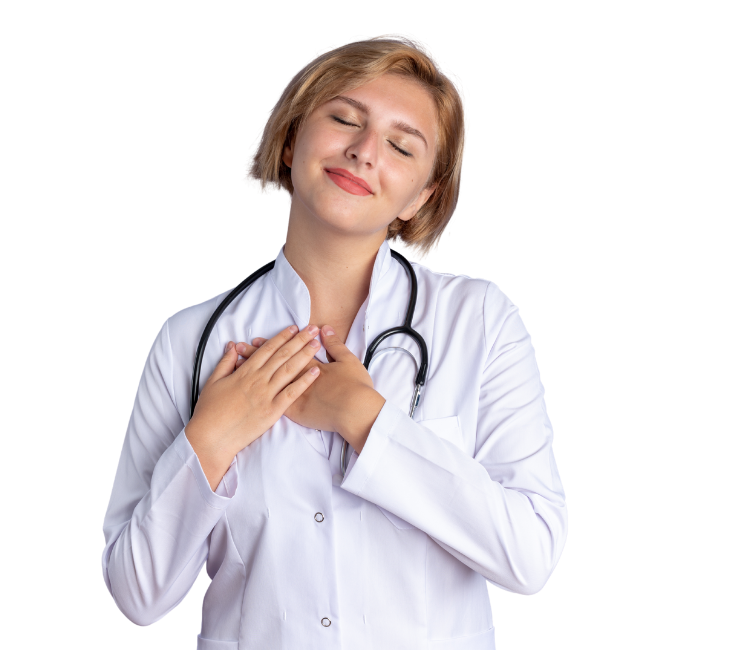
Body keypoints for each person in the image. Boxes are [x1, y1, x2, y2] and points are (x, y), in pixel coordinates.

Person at [101, 32, 568, 649]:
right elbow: (138, 595)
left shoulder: (478, 321)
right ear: (293, 139)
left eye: (402, 146)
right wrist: (213, 437)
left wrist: (367, 421)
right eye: (344, 119)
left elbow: (530, 557)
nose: (364, 151)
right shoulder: (190, 341)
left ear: (422, 195)